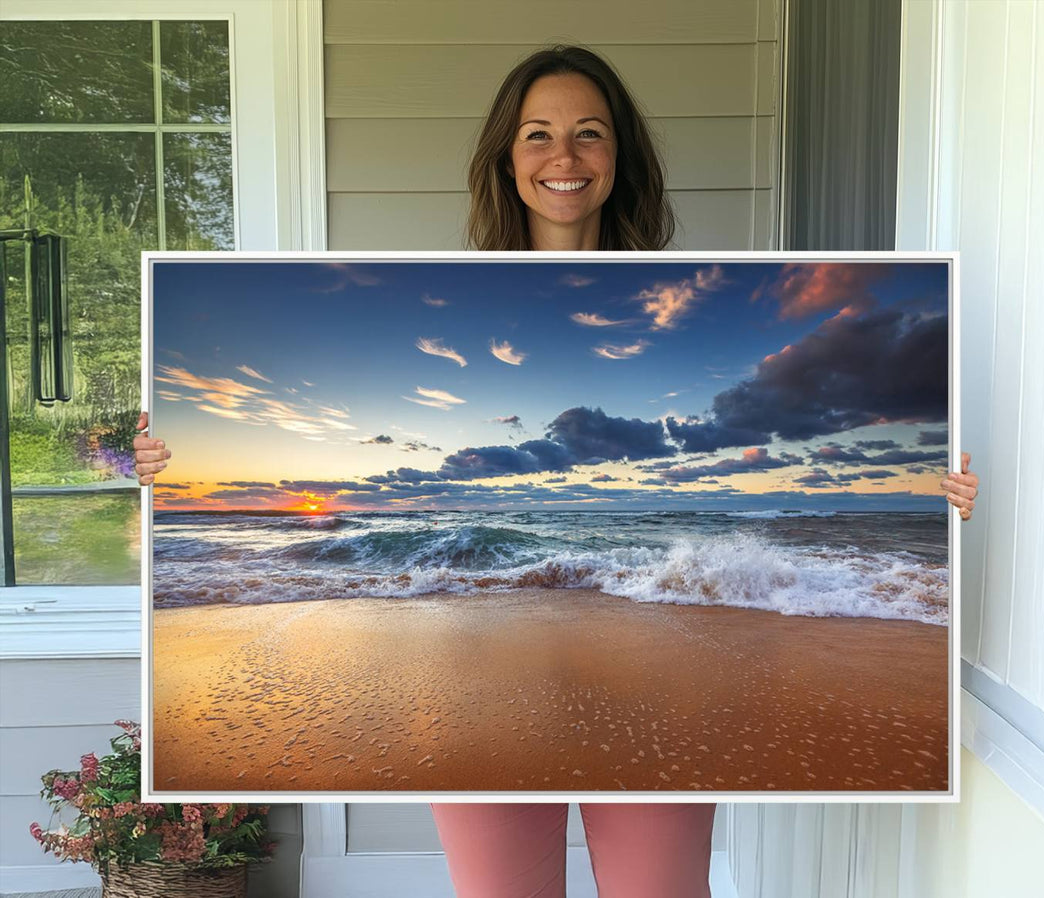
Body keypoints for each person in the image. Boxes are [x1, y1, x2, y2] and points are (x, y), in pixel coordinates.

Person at [134, 45, 978, 898]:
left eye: (589, 134)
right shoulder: (449, 297)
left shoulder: (694, 284)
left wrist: (936, 495)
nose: (564, 158)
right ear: (507, 156)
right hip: (476, 679)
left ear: (620, 158)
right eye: (538, 135)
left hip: (657, 689)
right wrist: (159, 466)